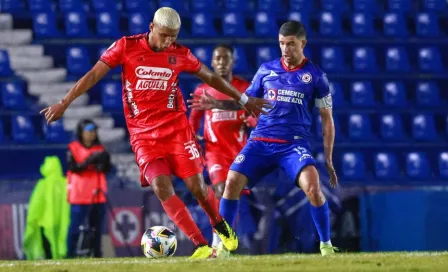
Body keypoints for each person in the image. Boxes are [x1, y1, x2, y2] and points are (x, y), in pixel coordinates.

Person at [40, 7, 271, 259]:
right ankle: (201, 246)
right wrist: (64, 102)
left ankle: (220, 224)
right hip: (143, 136)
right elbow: (94, 74)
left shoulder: (179, 53)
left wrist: (243, 98)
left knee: (197, 186)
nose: (169, 41)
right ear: (151, 27)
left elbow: (211, 77)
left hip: (177, 131)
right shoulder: (126, 47)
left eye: (173, 36)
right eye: (164, 35)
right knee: (161, 187)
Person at [189, 20, 339, 256]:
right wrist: (218, 104)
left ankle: (326, 246)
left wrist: (328, 159)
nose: (286, 50)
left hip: (293, 145)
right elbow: (245, 102)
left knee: (313, 188)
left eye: (291, 44)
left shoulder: (316, 77)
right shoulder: (266, 70)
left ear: (303, 43)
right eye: (282, 44)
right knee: (231, 184)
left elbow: (327, 119)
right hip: (260, 142)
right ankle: (224, 247)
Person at [188, 44, 255, 247]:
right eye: (217, 58)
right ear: (212, 62)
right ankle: (219, 242)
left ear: (233, 61)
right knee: (219, 190)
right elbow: (193, 120)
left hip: (240, 152)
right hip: (215, 152)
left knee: (231, 195)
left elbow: (256, 117)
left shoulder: (244, 88)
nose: (221, 62)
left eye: (226, 58)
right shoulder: (203, 90)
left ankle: (230, 236)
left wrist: (251, 122)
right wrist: (192, 137)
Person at [66, 119, 111, 258]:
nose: (92, 134)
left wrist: (104, 163)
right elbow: (74, 168)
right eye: (89, 131)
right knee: (74, 228)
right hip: (79, 196)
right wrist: (90, 160)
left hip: (98, 194)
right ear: (81, 132)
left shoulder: (100, 149)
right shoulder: (73, 147)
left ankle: (97, 254)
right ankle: (70, 254)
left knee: (97, 229)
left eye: (94, 131)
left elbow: (107, 168)